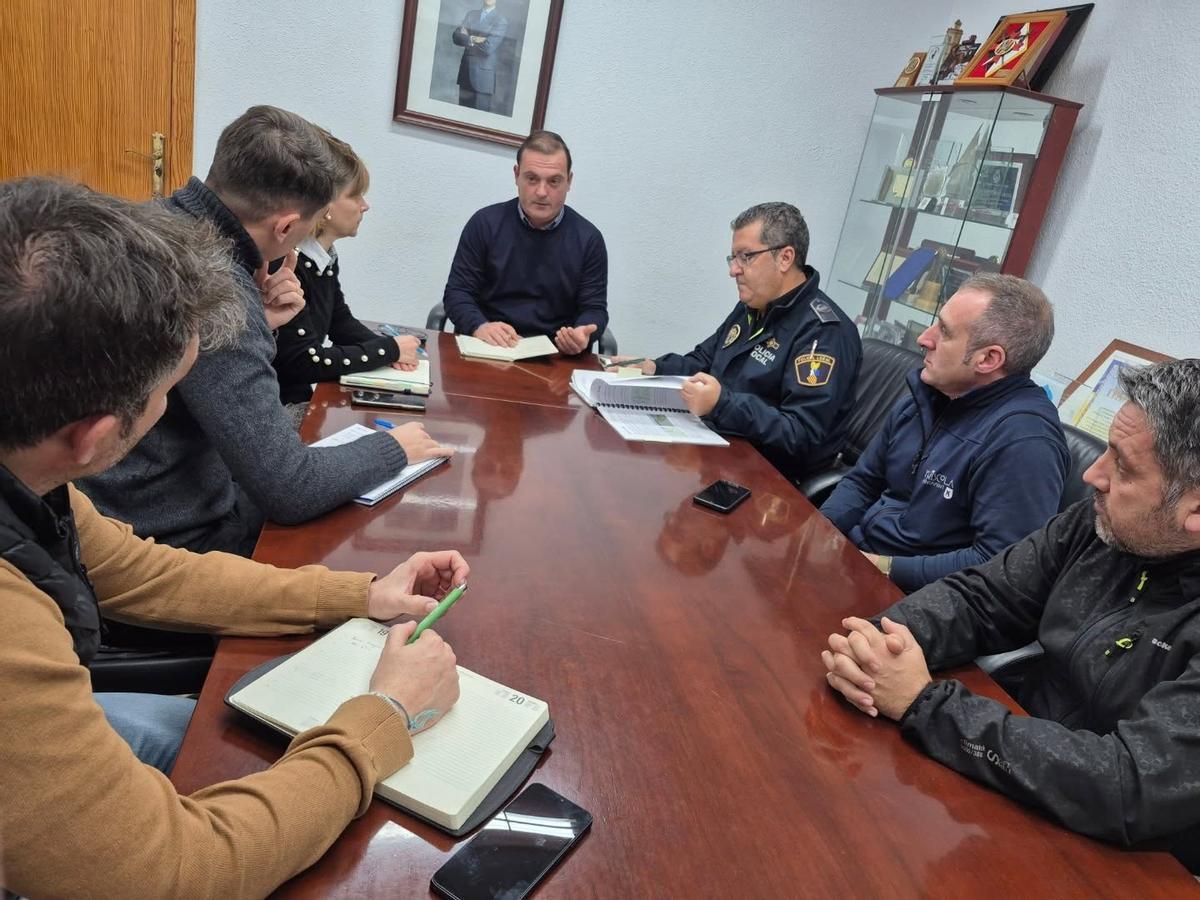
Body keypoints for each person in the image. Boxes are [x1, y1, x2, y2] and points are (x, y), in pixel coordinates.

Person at [0, 177, 465, 897]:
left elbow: (139, 571)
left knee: (212, 735)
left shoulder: (29, 476)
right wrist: (386, 718)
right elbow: (172, 873)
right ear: (90, 439)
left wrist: (360, 594)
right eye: (167, 398)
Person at [821, 358, 1200, 872]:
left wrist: (923, 704)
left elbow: (1131, 784)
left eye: (1124, 467)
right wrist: (885, 644)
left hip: (1123, 857)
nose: (1092, 474)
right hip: (1011, 763)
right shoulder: (1103, 525)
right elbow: (984, 595)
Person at [78, 105, 452, 556]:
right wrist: (392, 448)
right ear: (288, 226)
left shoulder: (142, 221)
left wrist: (261, 322)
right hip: (167, 536)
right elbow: (291, 488)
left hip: (90, 503)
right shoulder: (219, 290)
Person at [820, 274, 1069, 591]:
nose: (924, 338)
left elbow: (999, 564)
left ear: (988, 359)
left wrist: (877, 566)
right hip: (859, 560)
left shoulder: (1025, 442)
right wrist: (820, 531)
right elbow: (864, 480)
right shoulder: (931, 393)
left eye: (945, 332)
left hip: (915, 598)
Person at [610, 202, 862, 483]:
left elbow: (799, 434)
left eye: (746, 257)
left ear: (785, 258)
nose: (734, 270)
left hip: (769, 480)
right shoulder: (754, 306)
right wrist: (650, 367)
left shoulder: (824, 333)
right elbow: (703, 361)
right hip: (717, 448)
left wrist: (721, 404)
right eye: (732, 258)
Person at [272, 130, 421, 418]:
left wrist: (394, 352)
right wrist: (388, 350)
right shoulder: (290, 263)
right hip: (282, 408)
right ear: (324, 205)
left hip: (299, 398)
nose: (365, 206)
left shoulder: (323, 258)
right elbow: (306, 362)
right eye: (355, 195)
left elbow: (340, 324)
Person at [442, 130, 608, 355]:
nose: (541, 192)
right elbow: (457, 293)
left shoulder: (589, 240)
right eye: (532, 179)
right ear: (516, 175)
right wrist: (479, 326)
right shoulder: (484, 224)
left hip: (554, 355)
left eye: (554, 181)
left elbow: (594, 309)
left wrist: (581, 334)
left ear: (569, 181)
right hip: (488, 346)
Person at [452, 0, 508, 112]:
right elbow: (456, 37)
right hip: (465, 73)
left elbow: (487, 48)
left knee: (478, 120)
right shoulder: (471, 14)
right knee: (461, 116)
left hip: (483, 79)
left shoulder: (501, 20)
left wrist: (467, 37)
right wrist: (474, 39)